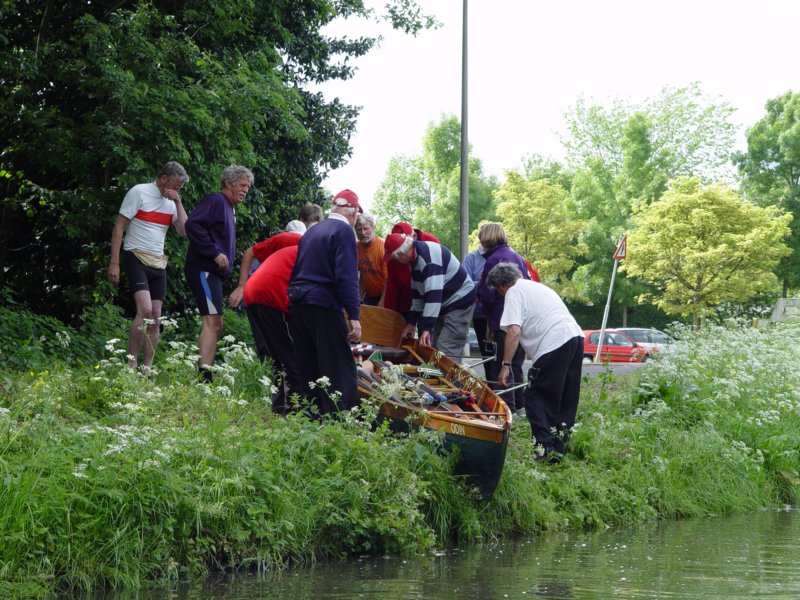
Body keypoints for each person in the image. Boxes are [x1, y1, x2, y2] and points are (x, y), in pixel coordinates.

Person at [487, 262, 584, 463]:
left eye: (498, 291)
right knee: (565, 397)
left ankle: (543, 451)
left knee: (536, 397)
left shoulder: (514, 292)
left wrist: (505, 366)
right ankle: (559, 450)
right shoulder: (538, 287)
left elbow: (514, 331)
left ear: (501, 285)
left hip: (553, 342)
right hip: (575, 338)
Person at [107, 161, 189, 370]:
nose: (175, 191)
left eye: (179, 188)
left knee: (156, 317)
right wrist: (114, 262)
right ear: (163, 179)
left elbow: (183, 231)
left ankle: (147, 369)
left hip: (158, 262)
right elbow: (119, 227)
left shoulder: (171, 202)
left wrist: (178, 201)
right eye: (174, 186)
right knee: (144, 309)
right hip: (135, 255)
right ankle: (131, 362)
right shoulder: (139, 192)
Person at [288, 189, 362, 415]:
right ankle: (339, 420)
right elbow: (347, 277)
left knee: (309, 364)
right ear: (353, 212)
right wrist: (354, 316)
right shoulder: (344, 231)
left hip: (298, 303)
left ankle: (310, 415)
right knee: (338, 365)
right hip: (323, 304)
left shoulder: (312, 231)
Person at [184, 165, 254, 380]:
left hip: (212, 274)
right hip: (203, 270)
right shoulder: (215, 200)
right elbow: (192, 225)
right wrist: (214, 252)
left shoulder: (228, 207)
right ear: (228, 183)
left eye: (248, 187)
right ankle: (204, 378)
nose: (245, 190)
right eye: (242, 185)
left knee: (216, 323)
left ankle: (206, 372)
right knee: (212, 321)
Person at [385, 233, 475, 364]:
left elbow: (433, 295)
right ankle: (439, 381)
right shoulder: (414, 261)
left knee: (447, 350)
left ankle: (452, 383)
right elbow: (417, 295)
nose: (396, 261)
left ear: (401, 254)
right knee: (435, 348)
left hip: (459, 301)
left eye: (395, 258)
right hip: (445, 303)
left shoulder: (428, 259)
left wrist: (426, 328)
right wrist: (411, 323)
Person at [243, 242, 302, 414]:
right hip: (272, 294)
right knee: (291, 355)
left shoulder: (296, 248)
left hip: (253, 292)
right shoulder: (305, 245)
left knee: (276, 355)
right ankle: (295, 410)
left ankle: (278, 407)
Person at [228, 229, 304, 361]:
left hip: (283, 299)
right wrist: (241, 286)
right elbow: (249, 252)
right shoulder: (290, 239)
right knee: (268, 348)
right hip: (263, 294)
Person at [477, 223, 531, 412]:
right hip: (522, 318)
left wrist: (488, 316)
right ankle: (521, 406)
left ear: (486, 239)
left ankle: (506, 408)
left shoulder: (493, 259)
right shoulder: (517, 257)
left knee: (502, 364)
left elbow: (488, 294)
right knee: (516, 364)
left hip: (504, 319)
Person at [383, 221, 439, 316]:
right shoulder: (394, 251)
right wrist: (388, 312)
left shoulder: (430, 243)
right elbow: (392, 284)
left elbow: (435, 283)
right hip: (406, 300)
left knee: (426, 326)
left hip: (430, 296)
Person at [462, 242, 494, 370]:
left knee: (501, 356)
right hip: (480, 314)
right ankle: (491, 387)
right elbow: (464, 285)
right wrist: (480, 282)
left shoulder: (506, 254)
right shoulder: (471, 258)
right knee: (486, 354)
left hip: (500, 314)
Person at [355, 213, 387, 305]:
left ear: (373, 227)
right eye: (359, 230)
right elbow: (362, 274)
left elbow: (388, 281)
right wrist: (359, 297)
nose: (363, 233)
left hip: (385, 295)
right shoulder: (356, 247)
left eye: (366, 229)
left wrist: (381, 303)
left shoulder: (383, 247)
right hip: (369, 296)